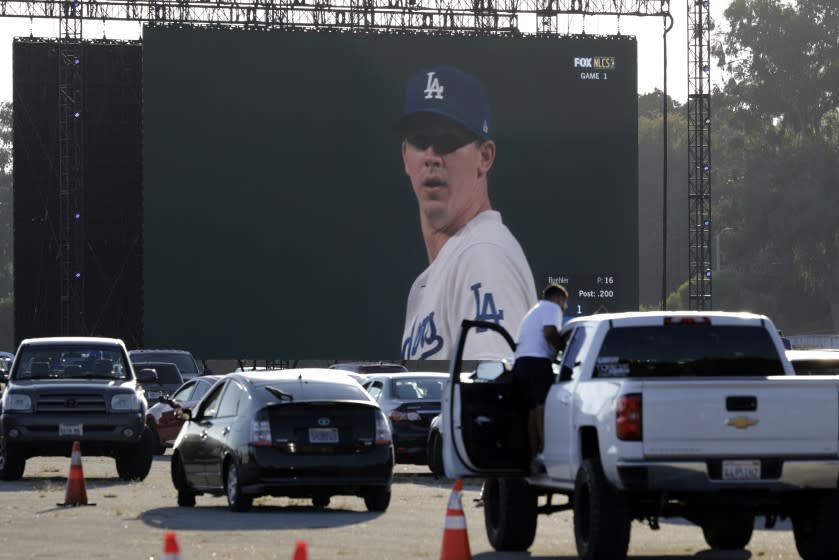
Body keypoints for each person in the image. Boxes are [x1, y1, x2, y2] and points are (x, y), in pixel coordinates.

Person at [395, 64, 537, 361]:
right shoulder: (433, 277)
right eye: (421, 142)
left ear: (484, 157)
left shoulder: (484, 255)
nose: (432, 156)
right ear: (406, 157)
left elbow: (493, 396)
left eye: (448, 141)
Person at [511, 283, 568, 470]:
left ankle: (534, 454)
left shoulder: (534, 311)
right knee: (544, 407)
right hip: (537, 362)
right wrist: (562, 349)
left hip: (520, 363)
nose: (564, 307)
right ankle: (547, 452)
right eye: (564, 302)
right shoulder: (552, 308)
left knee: (532, 410)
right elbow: (550, 332)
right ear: (559, 298)